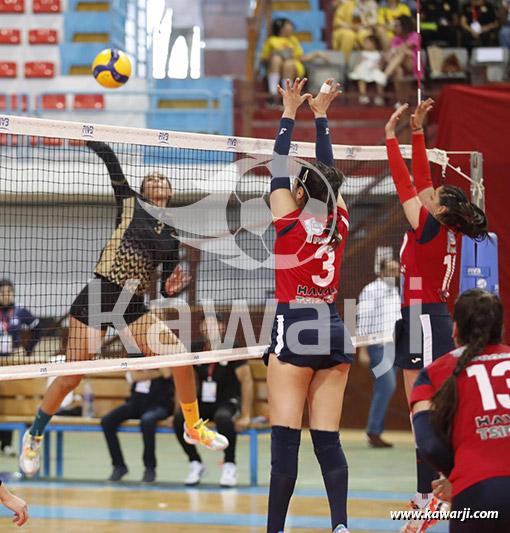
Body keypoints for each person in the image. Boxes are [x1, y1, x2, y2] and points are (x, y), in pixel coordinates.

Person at [19, 141, 228, 477]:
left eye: (163, 179)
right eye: (152, 179)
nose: (158, 182)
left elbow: (164, 283)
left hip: (132, 305)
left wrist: (170, 288)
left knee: (181, 358)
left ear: (170, 190)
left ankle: (193, 426)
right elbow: (109, 159)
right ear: (144, 189)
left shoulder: (172, 235)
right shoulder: (130, 203)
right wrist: (87, 136)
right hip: (100, 294)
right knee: (71, 376)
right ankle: (35, 433)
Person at [384, 99, 489, 533]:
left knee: (430, 413)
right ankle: (427, 495)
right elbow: (423, 178)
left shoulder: (428, 226)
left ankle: (443, 493)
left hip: (428, 320)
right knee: (416, 413)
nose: (427, 190)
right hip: (415, 317)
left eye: (433, 195)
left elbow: (405, 181)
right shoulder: (437, 225)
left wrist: (391, 135)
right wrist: (418, 129)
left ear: (440, 208)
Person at [265, 77, 353, 533]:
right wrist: (319, 116)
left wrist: (287, 112)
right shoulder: (338, 219)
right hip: (333, 325)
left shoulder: (290, 223)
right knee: (328, 440)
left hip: (295, 322)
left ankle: (275, 530)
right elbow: (327, 174)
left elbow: (278, 166)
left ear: (301, 193)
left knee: (285, 444)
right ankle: (339, 525)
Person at [410, 289, 510, 532]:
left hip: (479, 491)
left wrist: (459, 477)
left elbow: (429, 445)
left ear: (454, 330)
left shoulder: (432, 374)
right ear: (500, 327)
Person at [173, 312, 254, 487]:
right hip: (203, 401)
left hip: (228, 401)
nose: (208, 328)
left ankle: (230, 464)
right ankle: (195, 462)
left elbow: (246, 381)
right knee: (180, 420)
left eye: (213, 324)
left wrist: (246, 414)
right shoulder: (196, 347)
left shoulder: (232, 346)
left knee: (223, 419)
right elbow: (185, 378)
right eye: (205, 324)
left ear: (222, 327)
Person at [101, 368, 175, 483]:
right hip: (136, 402)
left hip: (159, 404)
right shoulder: (136, 353)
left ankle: (150, 468)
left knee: (147, 421)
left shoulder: (163, 353)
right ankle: (119, 466)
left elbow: (167, 373)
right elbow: (133, 377)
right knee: (107, 421)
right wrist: (156, 373)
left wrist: (149, 368)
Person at [357, 259, 401, 448]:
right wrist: (362, 350)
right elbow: (363, 320)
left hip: (395, 347)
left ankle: (376, 432)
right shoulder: (370, 290)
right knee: (387, 386)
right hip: (377, 346)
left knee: (384, 388)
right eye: (391, 270)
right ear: (381, 272)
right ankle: (373, 431)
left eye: (397, 270)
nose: (395, 273)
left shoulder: (396, 291)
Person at [0, 279, 41, 457]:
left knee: (9, 401)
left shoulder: (20, 311)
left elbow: (38, 328)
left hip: (11, 363)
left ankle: (6, 444)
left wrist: (26, 349)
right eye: (2, 292)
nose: (5, 295)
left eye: (9, 292)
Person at [261, 18, 329, 105]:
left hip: (293, 66)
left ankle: (286, 98)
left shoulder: (293, 40)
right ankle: (273, 95)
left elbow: (301, 57)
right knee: (276, 59)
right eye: (288, 25)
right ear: (282, 28)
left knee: (288, 64)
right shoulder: (271, 40)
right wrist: (276, 54)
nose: (291, 27)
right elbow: (264, 58)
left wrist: (316, 54)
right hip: (277, 67)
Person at [383, 16, 421, 106]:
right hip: (399, 66)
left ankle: (385, 75)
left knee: (405, 53)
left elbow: (407, 46)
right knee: (398, 70)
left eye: (397, 25)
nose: (395, 28)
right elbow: (389, 55)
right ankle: (401, 101)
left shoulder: (415, 35)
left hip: (413, 66)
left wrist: (394, 51)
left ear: (404, 25)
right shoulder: (395, 38)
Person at [163, 0, 202, 78]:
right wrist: (200, 25)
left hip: (181, 26)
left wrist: (160, 22)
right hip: (184, 26)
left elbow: (166, 8)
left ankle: (167, 72)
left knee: (173, 50)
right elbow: (197, 9)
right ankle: (188, 73)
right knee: (189, 51)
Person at [348, 34, 387, 106]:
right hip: (364, 69)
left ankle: (380, 96)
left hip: (374, 69)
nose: (366, 45)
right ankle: (363, 95)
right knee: (361, 77)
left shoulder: (379, 54)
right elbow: (359, 62)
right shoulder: (363, 53)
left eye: (368, 43)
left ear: (375, 44)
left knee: (379, 78)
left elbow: (381, 65)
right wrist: (356, 69)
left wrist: (378, 67)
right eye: (365, 43)